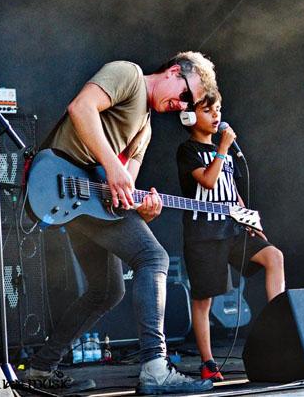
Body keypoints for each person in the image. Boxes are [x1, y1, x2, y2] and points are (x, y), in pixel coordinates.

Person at [26, 52, 216, 394]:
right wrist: (113, 167)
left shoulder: (145, 129)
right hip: (64, 181)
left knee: (108, 290)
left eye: (189, 105)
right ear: (174, 72)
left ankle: (40, 368)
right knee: (153, 258)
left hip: (89, 203)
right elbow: (81, 108)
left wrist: (145, 208)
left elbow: (124, 192)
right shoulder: (128, 75)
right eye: (185, 94)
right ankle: (155, 368)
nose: (182, 105)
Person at [176, 91, 285, 381]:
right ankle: (208, 363)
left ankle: (281, 325)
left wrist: (249, 220)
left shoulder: (223, 152)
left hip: (233, 229)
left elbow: (232, 192)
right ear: (189, 117)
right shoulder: (188, 151)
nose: (216, 115)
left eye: (218, 109)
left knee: (274, 256)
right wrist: (223, 148)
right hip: (204, 235)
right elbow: (208, 181)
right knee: (204, 300)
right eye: (208, 110)